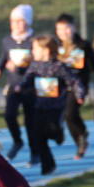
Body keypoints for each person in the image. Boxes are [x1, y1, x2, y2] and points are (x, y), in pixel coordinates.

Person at [12, 35, 83, 175]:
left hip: (56, 106)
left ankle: (59, 134)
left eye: (35, 49)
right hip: (40, 105)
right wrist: (20, 86)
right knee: (38, 135)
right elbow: (27, 78)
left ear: (46, 50)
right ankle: (48, 166)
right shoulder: (35, 66)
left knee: (52, 131)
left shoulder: (58, 67)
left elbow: (74, 81)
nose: (32, 52)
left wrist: (79, 94)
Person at [0, 5, 36, 163]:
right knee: (9, 115)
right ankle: (18, 141)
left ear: (28, 22)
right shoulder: (7, 41)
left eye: (20, 21)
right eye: (13, 21)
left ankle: (35, 153)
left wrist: (18, 68)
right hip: (12, 86)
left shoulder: (33, 41)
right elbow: (4, 58)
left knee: (30, 121)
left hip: (30, 88)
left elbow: (35, 65)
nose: (16, 25)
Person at [55, 14, 94, 160]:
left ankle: (81, 138)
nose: (64, 32)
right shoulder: (57, 46)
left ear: (74, 28)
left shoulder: (83, 45)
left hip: (78, 85)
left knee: (70, 113)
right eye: (60, 29)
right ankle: (80, 138)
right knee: (68, 116)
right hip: (61, 87)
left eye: (67, 28)